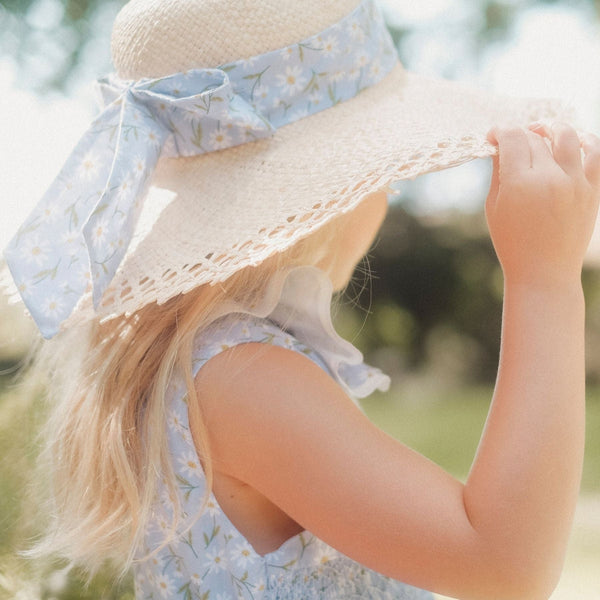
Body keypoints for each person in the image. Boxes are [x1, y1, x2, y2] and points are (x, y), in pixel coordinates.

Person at [3, 0, 600, 598]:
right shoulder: (240, 378)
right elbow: (503, 566)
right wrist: (543, 279)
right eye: (380, 171)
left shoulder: (209, 365)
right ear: (329, 198)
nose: (388, 191)